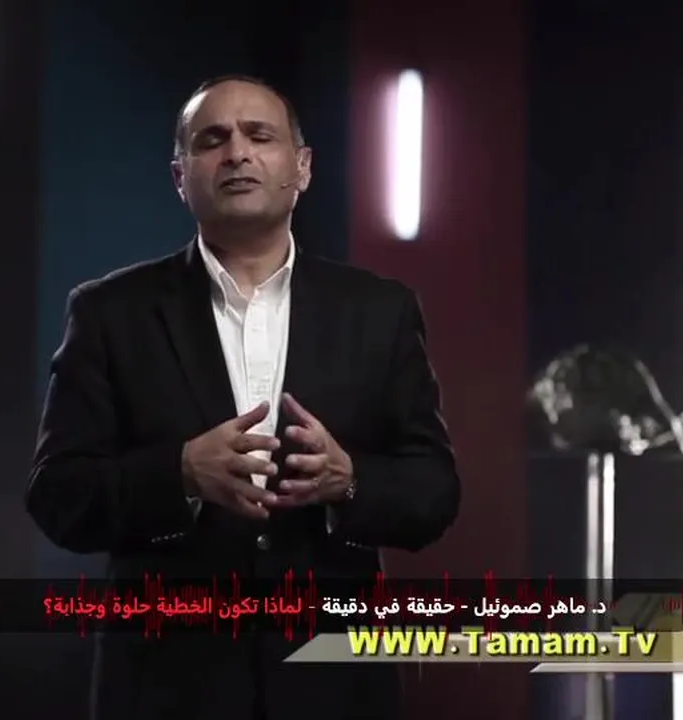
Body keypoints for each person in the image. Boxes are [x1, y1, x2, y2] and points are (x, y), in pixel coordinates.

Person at [26, 74, 461, 720]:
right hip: (166, 691)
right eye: (212, 140)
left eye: (260, 136)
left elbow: (435, 492)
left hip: (335, 690)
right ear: (181, 177)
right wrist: (178, 474)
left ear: (302, 168)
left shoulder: (380, 311)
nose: (236, 153)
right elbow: (57, 496)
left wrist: (349, 482)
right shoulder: (109, 313)